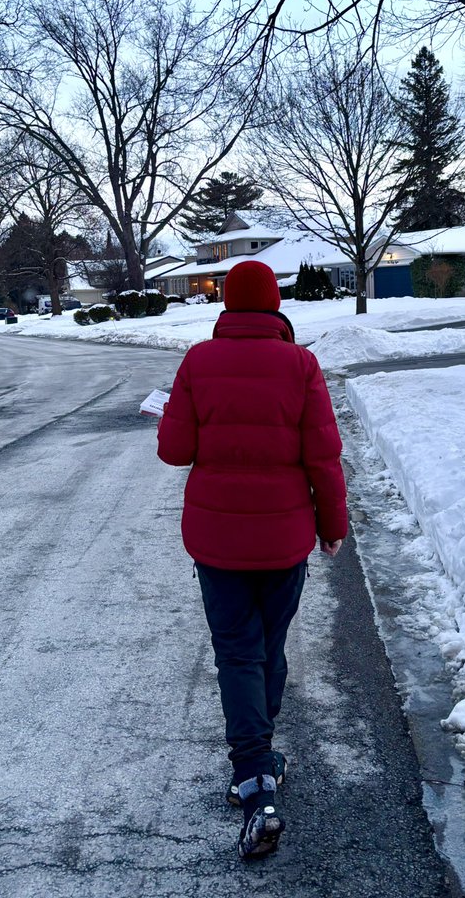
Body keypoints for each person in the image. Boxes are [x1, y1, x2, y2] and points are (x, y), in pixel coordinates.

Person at [156, 260, 347, 861]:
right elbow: (324, 457)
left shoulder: (198, 361)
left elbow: (173, 450)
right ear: (274, 305)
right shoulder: (301, 364)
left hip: (217, 541)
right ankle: (262, 758)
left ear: (225, 305)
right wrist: (332, 526)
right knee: (270, 645)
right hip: (285, 536)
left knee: (237, 651)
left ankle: (253, 773)